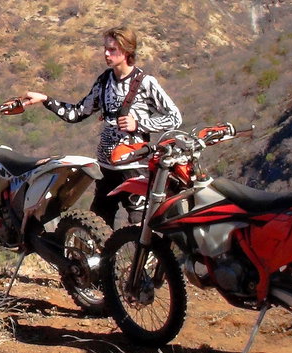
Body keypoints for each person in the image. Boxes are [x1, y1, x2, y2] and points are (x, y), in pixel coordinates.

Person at [16, 26, 182, 225]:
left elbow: (174, 117)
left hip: (134, 168)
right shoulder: (104, 81)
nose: (106, 53)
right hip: (105, 168)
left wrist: (139, 124)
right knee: (97, 226)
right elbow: (76, 113)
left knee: (141, 227)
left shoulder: (146, 83)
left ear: (127, 51)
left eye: (112, 49)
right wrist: (44, 99)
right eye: (105, 48)